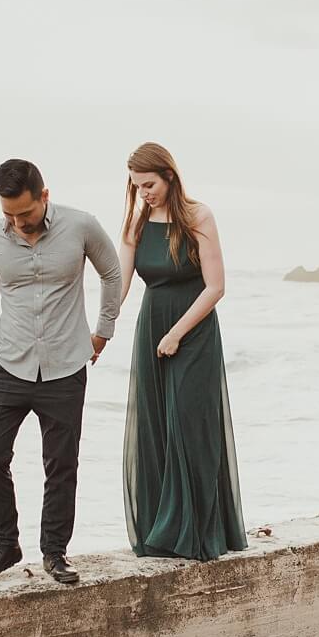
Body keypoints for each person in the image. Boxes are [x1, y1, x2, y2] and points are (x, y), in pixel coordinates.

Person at [0, 158, 121, 584]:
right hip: (9, 364)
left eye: (25, 213)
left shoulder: (81, 225)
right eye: (8, 215)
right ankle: (5, 545)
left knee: (61, 463)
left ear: (44, 196)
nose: (17, 223)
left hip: (66, 367)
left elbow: (112, 272)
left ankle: (55, 552)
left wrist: (103, 330)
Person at [118, 143, 247, 560]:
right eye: (137, 187)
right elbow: (118, 286)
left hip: (192, 331)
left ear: (169, 176)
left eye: (149, 184)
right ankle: (162, 533)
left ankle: (196, 533)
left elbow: (216, 287)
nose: (144, 193)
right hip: (150, 327)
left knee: (188, 425)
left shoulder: (198, 216)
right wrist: (97, 329)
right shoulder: (137, 222)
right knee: (155, 426)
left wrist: (176, 333)